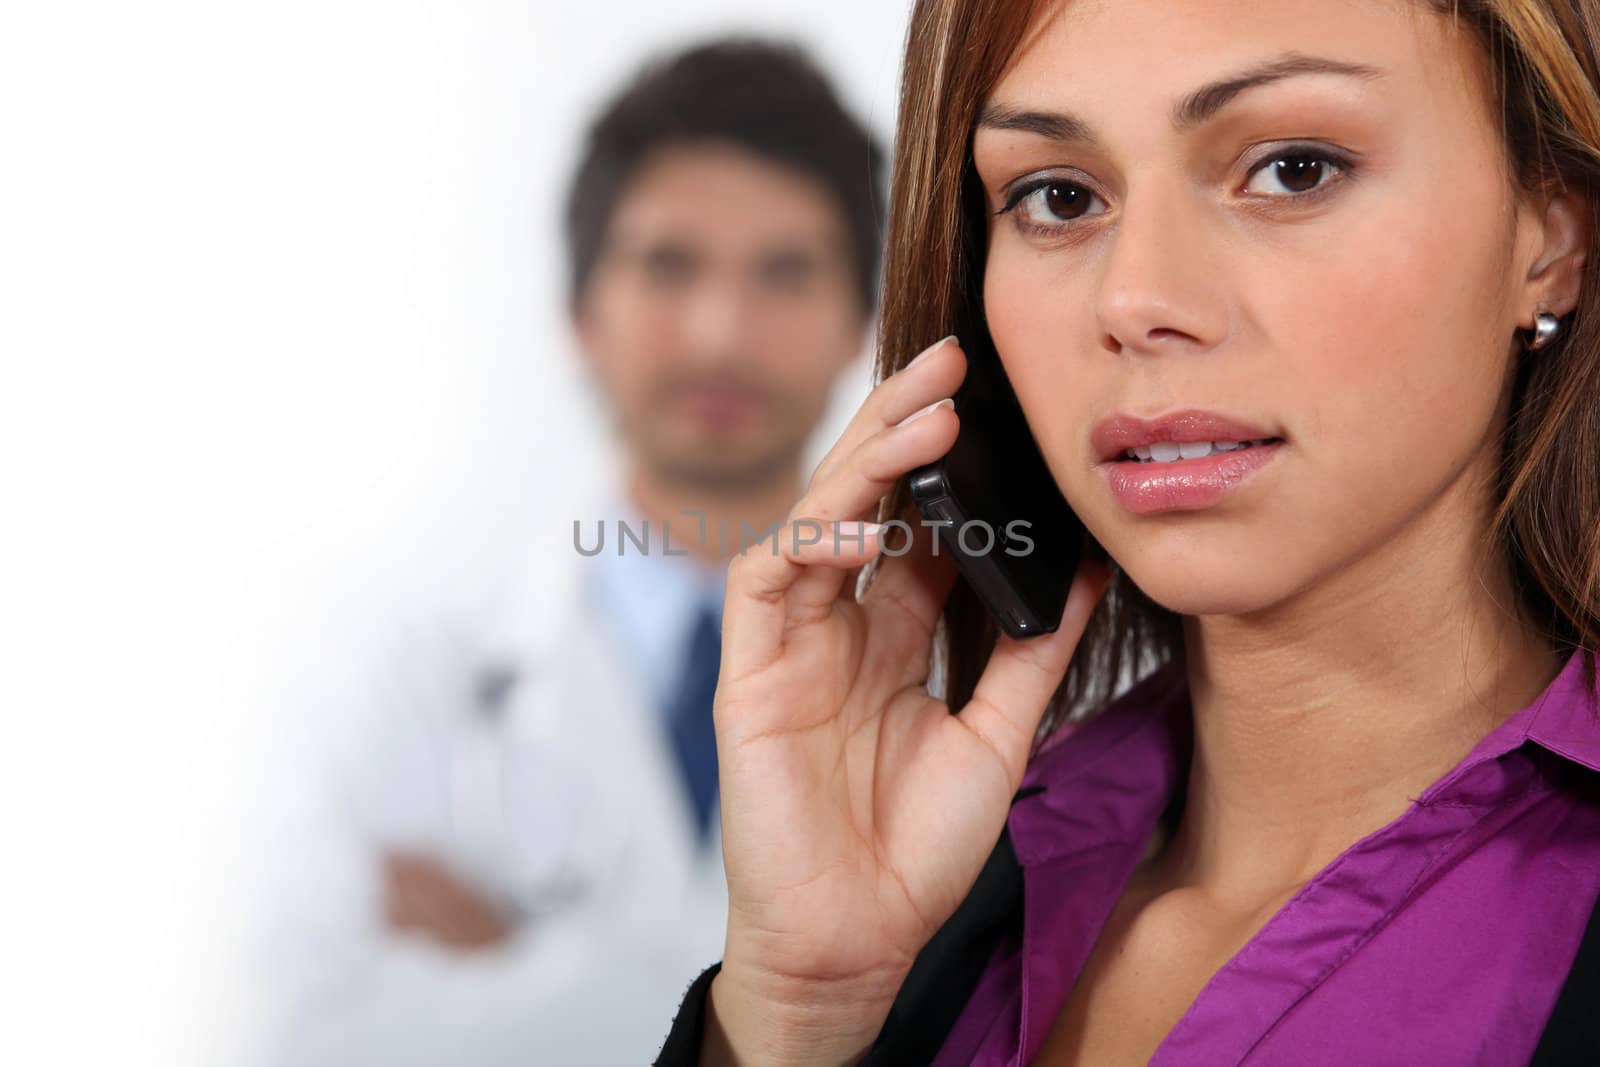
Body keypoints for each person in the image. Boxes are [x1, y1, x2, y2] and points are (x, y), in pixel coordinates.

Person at [654, 1, 1600, 1064]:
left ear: (1553, 234)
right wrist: (795, 1011)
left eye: (1293, 169)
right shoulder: (955, 875)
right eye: (1058, 196)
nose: (1137, 297)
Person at [255, 37, 885, 1067]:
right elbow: (309, 1032)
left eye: (783, 272)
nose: (721, 332)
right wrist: (771, 1012)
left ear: (858, 321)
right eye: (669, 265)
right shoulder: (406, 672)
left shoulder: (940, 671)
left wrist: (525, 965)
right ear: (581, 313)